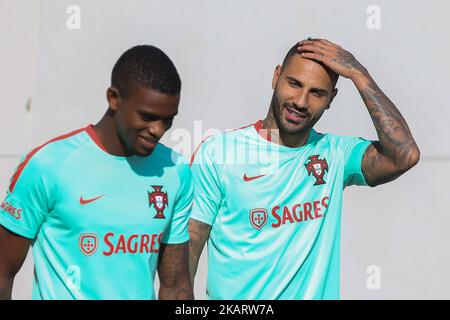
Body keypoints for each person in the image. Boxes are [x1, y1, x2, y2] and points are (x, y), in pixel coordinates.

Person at [188, 38, 420, 299]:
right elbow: (190, 245)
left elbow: (404, 155)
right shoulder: (219, 153)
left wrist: (359, 74)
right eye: (294, 84)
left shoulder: (335, 154)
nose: (300, 101)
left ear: (331, 98)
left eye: (317, 93)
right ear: (276, 77)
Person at [0, 45, 193, 300]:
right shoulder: (49, 165)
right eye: (147, 116)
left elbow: (175, 286)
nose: (158, 129)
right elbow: (3, 271)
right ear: (114, 98)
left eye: (168, 119)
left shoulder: (175, 171)